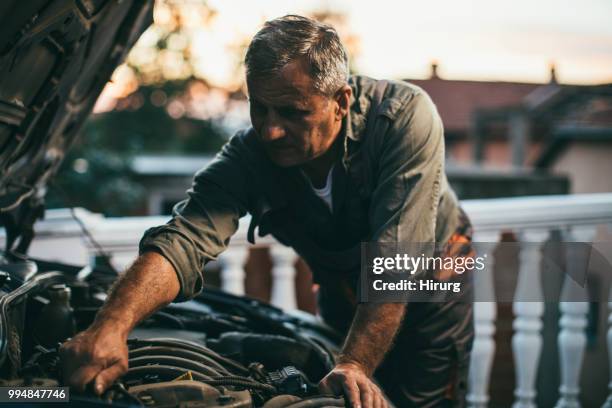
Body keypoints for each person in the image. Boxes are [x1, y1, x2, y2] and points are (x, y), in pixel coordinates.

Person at [60, 14, 475, 408]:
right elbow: (184, 239)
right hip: (345, 295)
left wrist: (355, 363)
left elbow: (394, 261)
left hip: (433, 292)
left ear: (341, 101)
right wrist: (110, 325)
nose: (271, 130)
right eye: (259, 108)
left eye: (292, 112)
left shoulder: (403, 119)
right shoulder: (250, 156)